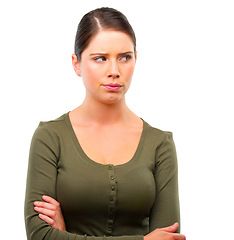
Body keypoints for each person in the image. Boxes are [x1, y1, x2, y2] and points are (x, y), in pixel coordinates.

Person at [24, 7, 186, 240]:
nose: (114, 71)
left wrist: (64, 234)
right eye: (100, 58)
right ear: (76, 63)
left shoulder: (160, 143)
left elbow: (168, 238)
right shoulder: (50, 137)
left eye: (124, 57)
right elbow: (40, 236)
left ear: (136, 59)